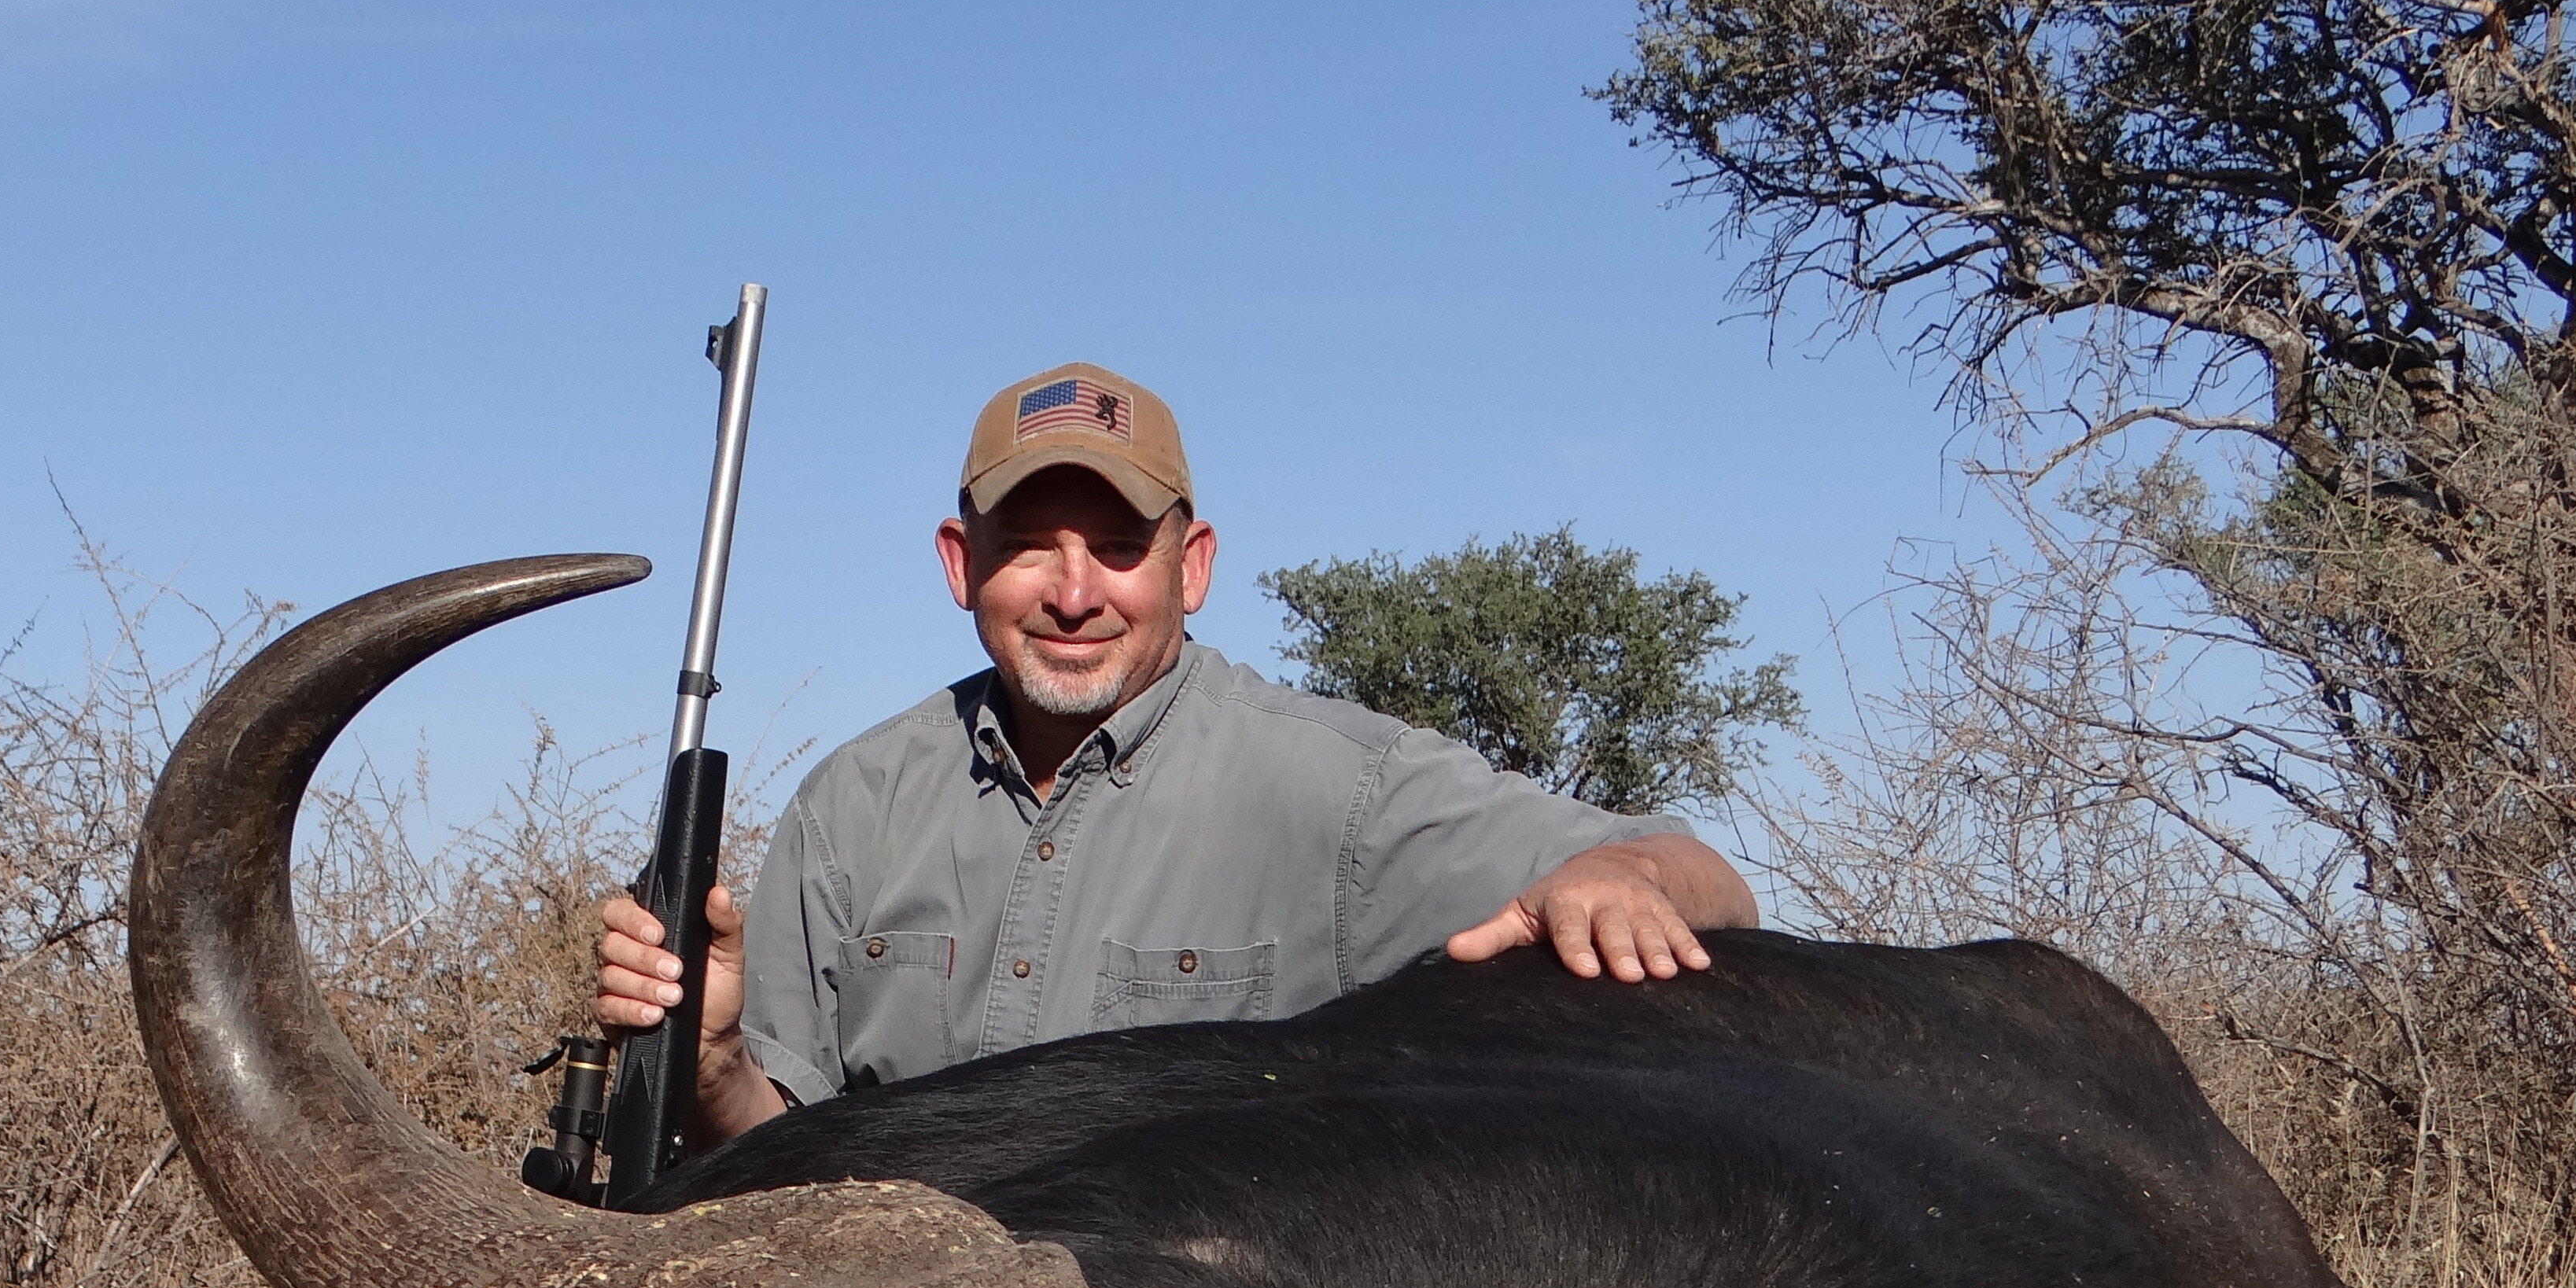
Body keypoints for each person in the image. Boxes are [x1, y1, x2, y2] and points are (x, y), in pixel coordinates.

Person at [595, 361, 1760, 1143]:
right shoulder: (856, 803)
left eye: (1115, 547)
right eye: (1026, 550)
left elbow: (1708, 883)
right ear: (959, 564)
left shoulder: (1334, 789)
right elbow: (778, 1153)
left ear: (1190, 566)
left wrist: (1626, 880)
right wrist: (708, 1062)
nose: (1070, 593)